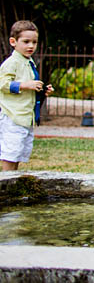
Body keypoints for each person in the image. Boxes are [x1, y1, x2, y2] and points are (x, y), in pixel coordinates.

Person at [0, 21, 54, 171]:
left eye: (34, 42)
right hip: (13, 116)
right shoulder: (11, 63)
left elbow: (30, 89)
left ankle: (13, 182)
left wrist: (42, 91)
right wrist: (24, 85)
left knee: (18, 153)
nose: (31, 46)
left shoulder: (28, 62)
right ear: (13, 42)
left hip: (25, 117)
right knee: (10, 153)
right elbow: (3, 84)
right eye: (26, 42)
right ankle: (6, 185)